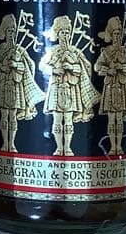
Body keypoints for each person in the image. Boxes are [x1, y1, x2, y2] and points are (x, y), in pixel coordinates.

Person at [40, 15, 100, 156]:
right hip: (56, 87)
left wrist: (72, 67)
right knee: (57, 120)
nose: (65, 35)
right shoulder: (53, 51)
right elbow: (42, 66)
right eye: (62, 32)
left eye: (67, 32)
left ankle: (67, 148)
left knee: (68, 121)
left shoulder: (75, 52)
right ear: (57, 33)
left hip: (71, 88)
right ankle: (58, 148)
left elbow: (86, 68)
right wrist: (54, 70)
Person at [0, 14, 44, 153]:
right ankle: (5, 144)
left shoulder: (20, 50)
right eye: (9, 30)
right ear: (4, 31)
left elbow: (30, 65)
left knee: (13, 116)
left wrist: (16, 65)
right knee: (4, 115)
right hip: (4, 82)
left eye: (13, 31)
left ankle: (12, 144)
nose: (11, 33)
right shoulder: (1, 49)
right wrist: (2, 66)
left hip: (16, 83)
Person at [94, 16, 126, 155]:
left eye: (119, 33)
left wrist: (123, 67)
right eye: (115, 33)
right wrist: (109, 69)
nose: (117, 36)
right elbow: (97, 67)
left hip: (121, 87)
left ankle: (119, 147)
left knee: (119, 119)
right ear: (111, 35)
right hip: (110, 86)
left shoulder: (124, 52)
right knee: (111, 119)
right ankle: (112, 147)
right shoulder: (106, 52)